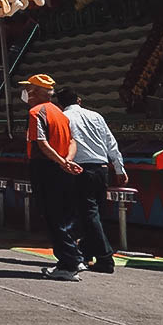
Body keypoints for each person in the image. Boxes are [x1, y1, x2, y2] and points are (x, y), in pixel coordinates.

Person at [56, 86, 127, 274]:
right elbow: (111, 143)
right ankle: (86, 251)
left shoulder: (64, 118)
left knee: (86, 212)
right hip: (101, 169)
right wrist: (119, 168)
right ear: (79, 100)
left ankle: (105, 257)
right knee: (94, 212)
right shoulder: (96, 116)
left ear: (60, 104)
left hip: (80, 168)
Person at [20, 74, 83, 280]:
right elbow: (73, 141)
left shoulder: (36, 112)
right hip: (62, 168)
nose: (26, 93)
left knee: (52, 215)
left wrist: (60, 161)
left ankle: (69, 262)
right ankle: (73, 258)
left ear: (36, 92)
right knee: (64, 214)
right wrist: (67, 161)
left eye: (28, 89)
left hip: (46, 167)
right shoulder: (60, 113)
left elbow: (41, 142)